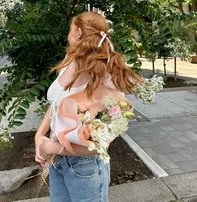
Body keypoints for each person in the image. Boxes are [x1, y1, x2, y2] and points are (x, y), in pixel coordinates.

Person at [35, 11, 142, 202]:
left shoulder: (105, 78)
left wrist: (52, 147)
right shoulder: (69, 61)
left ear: (76, 32)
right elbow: (56, 102)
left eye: (69, 30)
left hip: (85, 167)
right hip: (57, 162)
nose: (68, 36)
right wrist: (39, 135)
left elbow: (100, 143)